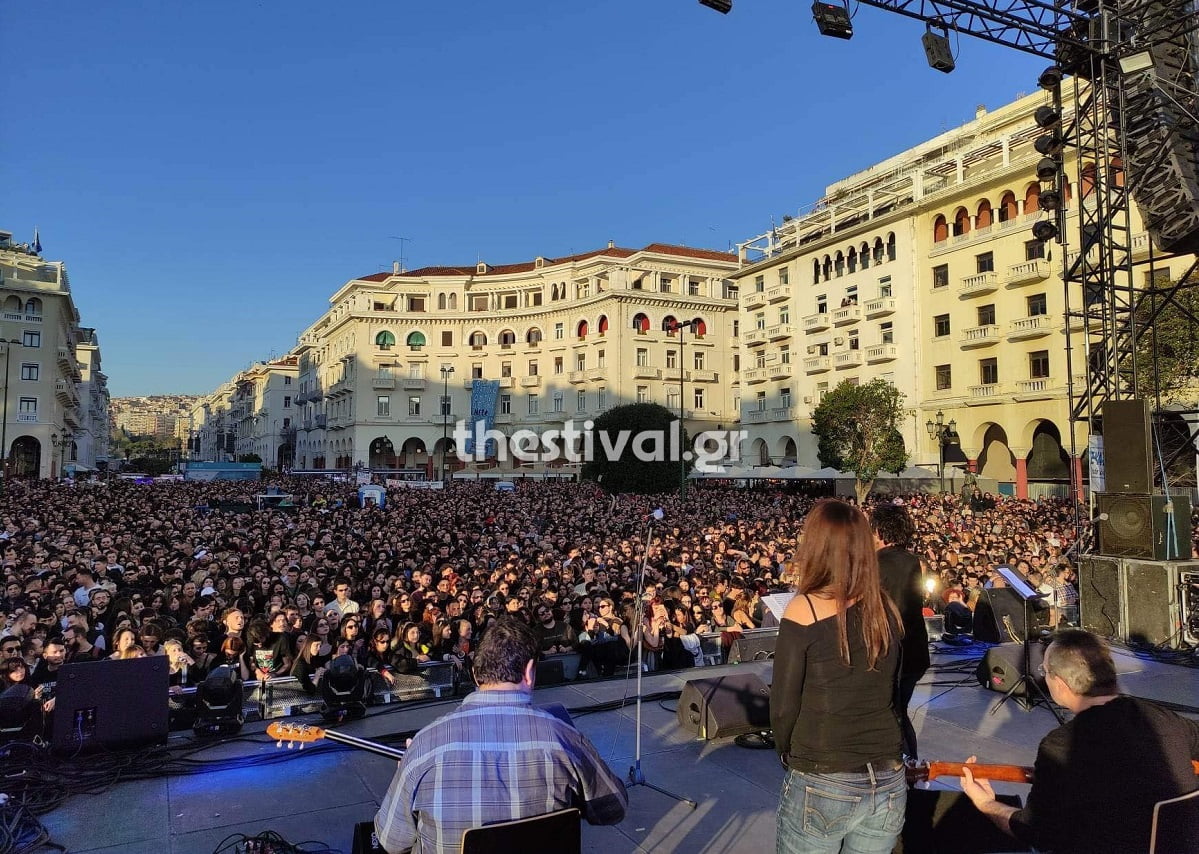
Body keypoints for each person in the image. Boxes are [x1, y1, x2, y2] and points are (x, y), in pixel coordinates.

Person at [374, 616, 627, 854]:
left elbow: (392, 841)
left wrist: (405, 768)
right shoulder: (563, 737)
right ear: (529, 671)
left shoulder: (424, 744)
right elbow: (615, 808)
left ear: (474, 673)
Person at [961, 628, 1199, 854]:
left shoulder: (1061, 745)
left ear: (1061, 684)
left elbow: (1036, 832)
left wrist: (986, 803)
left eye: (1045, 672)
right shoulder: (1166, 719)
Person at [770, 499, 905, 854]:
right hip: (888, 776)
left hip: (825, 772)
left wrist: (786, 751)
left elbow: (783, 705)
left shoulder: (805, 608)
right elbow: (894, 688)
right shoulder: (884, 607)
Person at [870, 501, 929, 758]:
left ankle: (902, 769)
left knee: (890, 715)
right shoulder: (914, 561)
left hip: (889, 652)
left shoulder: (874, 564)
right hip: (915, 651)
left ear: (880, 531)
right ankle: (910, 764)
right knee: (899, 711)